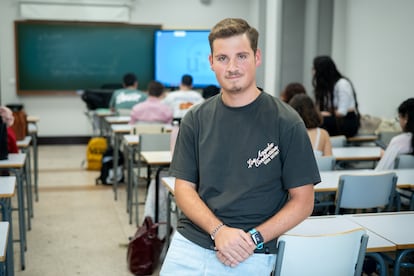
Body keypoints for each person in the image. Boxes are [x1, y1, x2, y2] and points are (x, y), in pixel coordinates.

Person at [160, 18, 319, 275]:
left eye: (241, 56)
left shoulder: (287, 122)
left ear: (257, 57)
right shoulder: (195, 119)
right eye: (222, 58)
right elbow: (184, 190)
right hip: (194, 240)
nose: (232, 67)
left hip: (255, 247)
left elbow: (303, 201)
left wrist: (252, 239)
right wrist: (218, 231)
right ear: (211, 62)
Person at [312, 55, 360, 137]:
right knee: (312, 120)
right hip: (335, 119)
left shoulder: (342, 84)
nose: (313, 71)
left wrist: (327, 113)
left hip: (347, 121)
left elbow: (342, 112)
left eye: (314, 68)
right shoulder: (327, 86)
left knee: (320, 122)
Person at [375, 98, 414, 170]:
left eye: (399, 117)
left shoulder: (399, 141)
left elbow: (380, 172)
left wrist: (387, 156)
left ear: (406, 118)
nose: (399, 121)